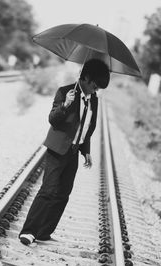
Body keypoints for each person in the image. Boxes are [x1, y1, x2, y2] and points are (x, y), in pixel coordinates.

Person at [19, 59, 110, 245]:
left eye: (99, 88)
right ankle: (28, 231)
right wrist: (65, 105)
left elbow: (87, 127)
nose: (96, 90)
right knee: (48, 190)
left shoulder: (93, 100)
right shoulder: (65, 92)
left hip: (73, 152)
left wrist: (86, 151)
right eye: (95, 85)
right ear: (86, 78)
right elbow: (53, 120)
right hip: (57, 150)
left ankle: (44, 233)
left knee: (63, 194)